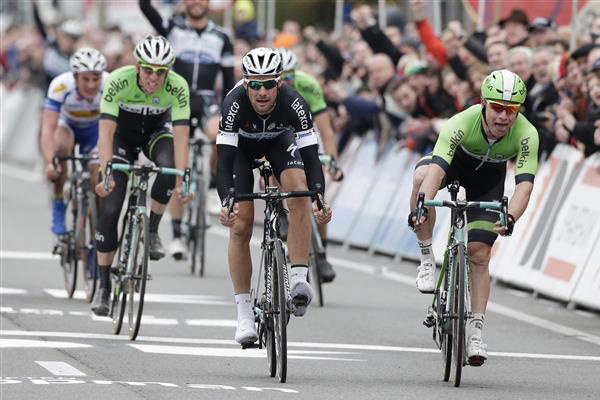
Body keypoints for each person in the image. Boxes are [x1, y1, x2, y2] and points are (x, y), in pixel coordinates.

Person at [408, 70, 538, 366]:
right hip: (454, 166)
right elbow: (438, 169)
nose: (504, 117)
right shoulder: (460, 122)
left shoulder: (527, 133)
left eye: (511, 110)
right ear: (483, 104)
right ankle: (427, 258)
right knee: (420, 176)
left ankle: (476, 331)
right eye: (497, 108)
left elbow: (524, 184)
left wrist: (512, 217)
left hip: (488, 182)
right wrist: (421, 205)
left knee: (479, 255)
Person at [217, 48, 332, 345]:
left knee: (298, 192)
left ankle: (297, 278)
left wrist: (319, 196)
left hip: (280, 144)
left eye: (269, 83)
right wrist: (226, 200)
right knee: (241, 224)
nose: (262, 91)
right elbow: (223, 161)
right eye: (255, 84)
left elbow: (311, 156)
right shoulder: (233, 104)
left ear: (280, 83)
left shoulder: (295, 103)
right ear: (245, 84)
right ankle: (244, 314)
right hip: (242, 152)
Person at [91, 35, 191, 316]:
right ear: (137, 67)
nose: (154, 78)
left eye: (161, 72)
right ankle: (103, 285)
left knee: (169, 166)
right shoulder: (117, 80)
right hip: (122, 137)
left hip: (155, 134)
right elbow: (105, 133)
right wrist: (105, 174)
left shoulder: (178, 86)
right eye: (148, 70)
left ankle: (152, 228)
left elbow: (182, 138)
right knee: (110, 209)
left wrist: (183, 180)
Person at [139, 0, 235, 260]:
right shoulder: (173, 29)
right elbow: (146, 8)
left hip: (205, 99)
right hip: (176, 99)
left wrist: (229, 110)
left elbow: (228, 80)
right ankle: (178, 234)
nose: (195, 2)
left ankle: (214, 183)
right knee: (174, 162)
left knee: (221, 133)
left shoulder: (222, 37)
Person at [278, 47, 342, 283]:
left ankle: (322, 253)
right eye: (281, 76)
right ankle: (280, 211)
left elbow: (325, 129)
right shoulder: (267, 89)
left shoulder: (307, 85)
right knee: (275, 163)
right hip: (278, 135)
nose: (285, 81)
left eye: (289, 76)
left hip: (304, 133)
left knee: (318, 197)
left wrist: (332, 161)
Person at [40, 47, 108, 237]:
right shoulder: (61, 85)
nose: (92, 84)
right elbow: (48, 128)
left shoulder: (110, 84)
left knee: (98, 178)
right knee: (61, 148)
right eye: (85, 79)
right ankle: (59, 202)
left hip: (94, 130)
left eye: (96, 78)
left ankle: (98, 233)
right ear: (75, 76)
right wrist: (49, 162)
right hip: (67, 125)